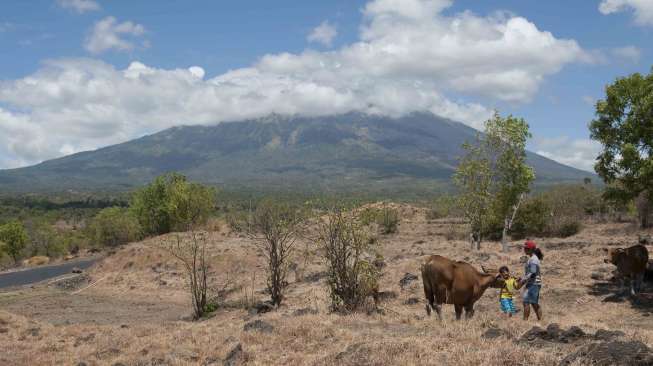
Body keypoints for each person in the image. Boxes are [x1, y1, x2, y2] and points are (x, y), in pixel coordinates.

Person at [519, 240, 543, 321]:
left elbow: (533, 272)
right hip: (534, 283)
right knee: (533, 303)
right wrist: (523, 278)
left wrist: (523, 280)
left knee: (526, 302)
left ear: (531, 249)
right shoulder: (532, 258)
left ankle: (525, 321)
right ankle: (541, 320)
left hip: (534, 283)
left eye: (526, 248)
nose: (524, 250)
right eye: (525, 248)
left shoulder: (533, 259)